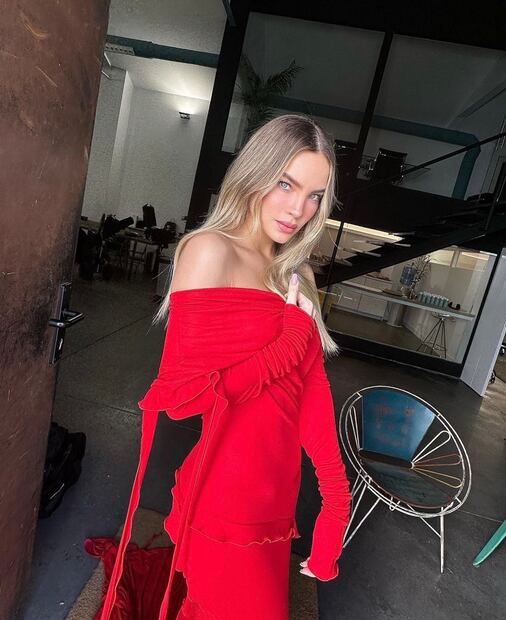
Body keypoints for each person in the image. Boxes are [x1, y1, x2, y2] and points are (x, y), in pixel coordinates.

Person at [100, 114, 352, 620]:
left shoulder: (296, 271)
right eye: (286, 184)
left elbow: (311, 387)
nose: (298, 209)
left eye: (314, 196)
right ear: (256, 174)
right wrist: (289, 339)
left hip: (277, 493)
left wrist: (335, 502)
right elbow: (185, 398)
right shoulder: (208, 251)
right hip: (225, 495)